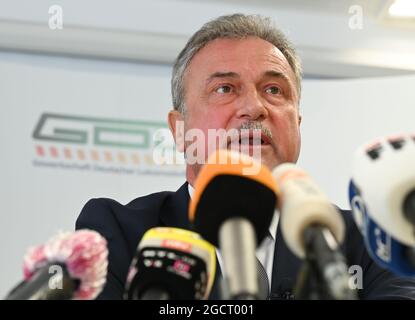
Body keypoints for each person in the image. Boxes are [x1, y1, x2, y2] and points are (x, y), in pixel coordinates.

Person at [76, 13, 415, 299]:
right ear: (180, 130)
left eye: (274, 90)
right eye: (224, 89)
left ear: (297, 123)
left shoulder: (369, 239)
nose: (254, 108)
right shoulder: (119, 231)